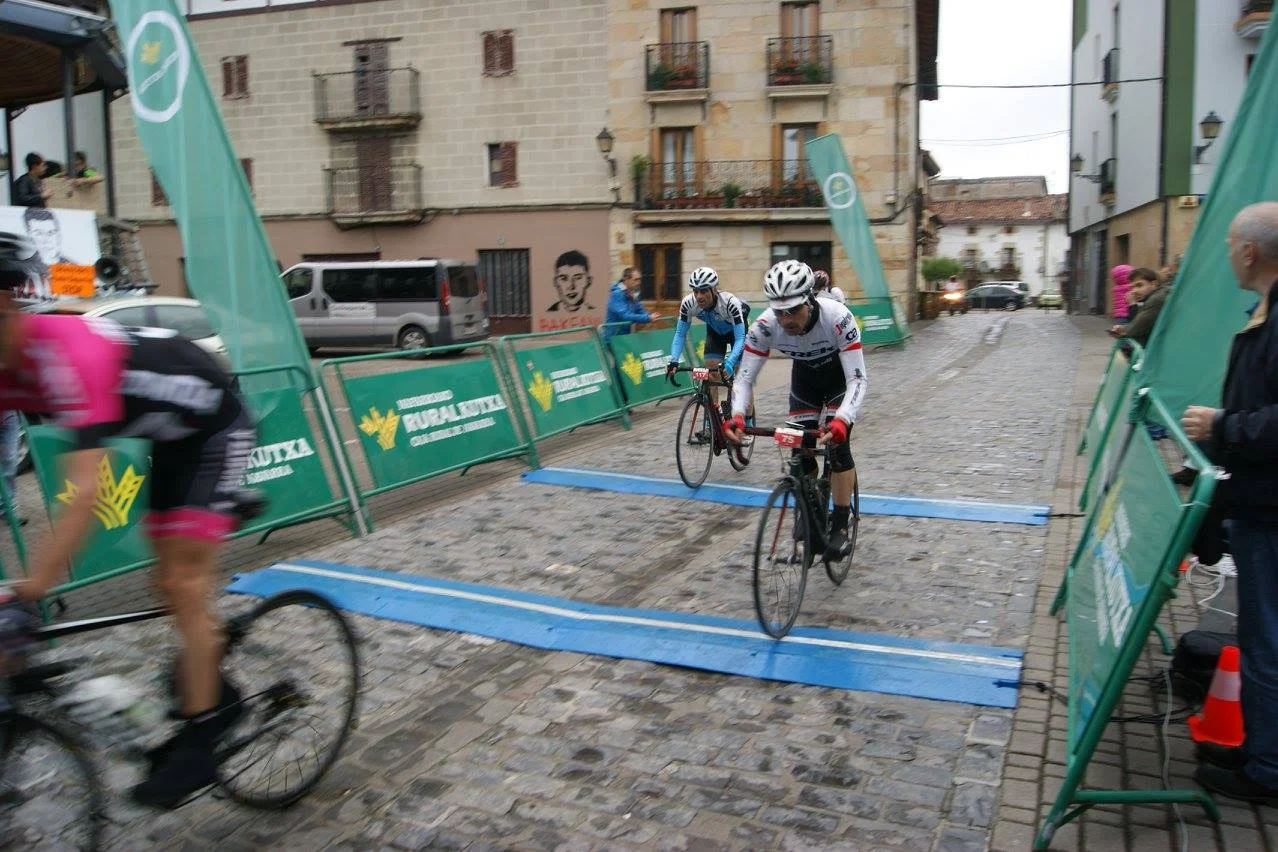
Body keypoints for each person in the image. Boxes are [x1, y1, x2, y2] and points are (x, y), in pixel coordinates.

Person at [0, 231, 261, 809]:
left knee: (183, 584)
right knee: (162, 584)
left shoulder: (65, 351)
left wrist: (32, 590)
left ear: (10, 305)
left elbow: (85, 494)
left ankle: (204, 733)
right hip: (166, 439)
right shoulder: (7, 365)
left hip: (215, 426)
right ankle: (211, 671)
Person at [1180, 201, 1278, 805]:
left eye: (1227, 246)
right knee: (1261, 638)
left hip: (1270, 510)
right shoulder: (1263, 311)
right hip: (1256, 501)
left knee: (1268, 645)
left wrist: (1224, 426)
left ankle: (1267, 770)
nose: (1226, 256)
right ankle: (1259, 747)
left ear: (1249, 251)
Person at [725, 259, 867, 560]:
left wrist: (842, 420)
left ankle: (840, 524)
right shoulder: (765, 326)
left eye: (793, 310)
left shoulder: (837, 317)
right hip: (805, 382)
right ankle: (811, 506)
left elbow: (857, 378)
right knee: (800, 451)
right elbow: (745, 378)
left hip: (840, 381)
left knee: (838, 448)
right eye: (780, 312)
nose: (786, 319)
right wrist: (736, 415)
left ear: (810, 300)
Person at [665, 266, 750, 421]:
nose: (699, 296)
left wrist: (730, 362)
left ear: (714, 289)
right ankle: (713, 420)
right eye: (695, 291)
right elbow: (680, 334)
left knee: (741, 379)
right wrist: (674, 360)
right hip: (715, 334)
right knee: (711, 374)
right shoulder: (688, 303)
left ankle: (748, 423)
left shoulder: (730, 303)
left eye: (704, 291)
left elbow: (740, 338)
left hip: (737, 335)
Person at [602, 266, 658, 344]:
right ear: (626, 279)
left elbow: (640, 309)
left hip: (624, 338)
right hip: (612, 339)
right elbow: (625, 315)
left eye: (640, 279)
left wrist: (648, 317)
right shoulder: (617, 294)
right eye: (636, 279)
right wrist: (647, 318)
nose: (639, 282)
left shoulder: (633, 293)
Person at [1113, 267, 1164, 348]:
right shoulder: (1152, 298)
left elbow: (1136, 328)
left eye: (1139, 285)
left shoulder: (1155, 300)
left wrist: (1132, 304)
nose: (1134, 291)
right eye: (1132, 287)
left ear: (1153, 284)